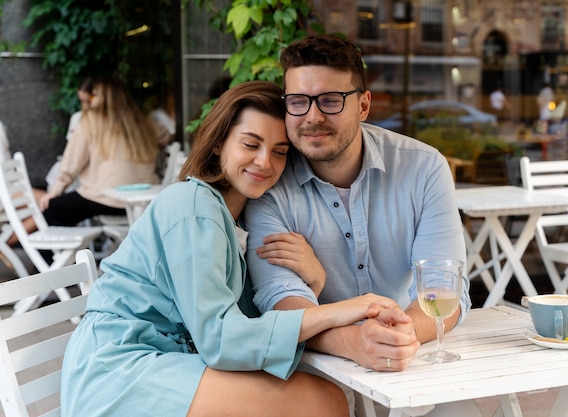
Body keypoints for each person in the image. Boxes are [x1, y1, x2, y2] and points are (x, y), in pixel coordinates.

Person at [60, 80, 404, 417]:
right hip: (119, 367)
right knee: (320, 402)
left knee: (324, 395)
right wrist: (343, 309)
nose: (265, 162)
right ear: (218, 144)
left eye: (280, 152)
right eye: (250, 145)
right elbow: (220, 338)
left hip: (173, 360)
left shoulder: (241, 221)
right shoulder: (193, 206)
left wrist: (314, 281)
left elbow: (250, 325)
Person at [244, 34, 474, 415]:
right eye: (298, 102)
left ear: (363, 105)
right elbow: (280, 301)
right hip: (315, 371)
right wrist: (352, 342)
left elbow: (445, 288)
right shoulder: (270, 182)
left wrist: (400, 335)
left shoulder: (423, 168)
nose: (312, 117)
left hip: (407, 361)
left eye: (331, 100)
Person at [39, 77, 169, 226]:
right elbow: (166, 136)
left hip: (105, 199)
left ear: (100, 98)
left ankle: (72, 249)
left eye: (92, 96)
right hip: (143, 202)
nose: (88, 102)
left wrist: (55, 192)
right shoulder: (143, 123)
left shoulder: (90, 122)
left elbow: (71, 163)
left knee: (52, 210)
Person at [46, 77, 94, 192]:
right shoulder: (77, 118)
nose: (85, 106)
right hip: (74, 168)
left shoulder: (105, 123)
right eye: (81, 101)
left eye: (88, 101)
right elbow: (71, 151)